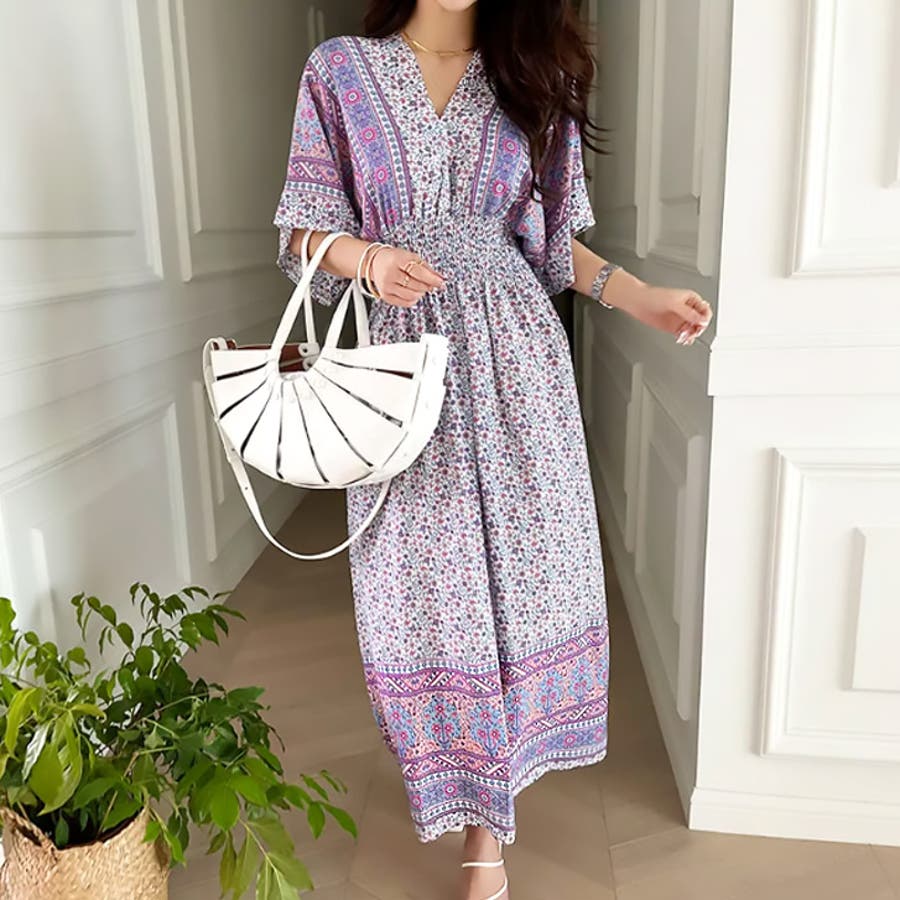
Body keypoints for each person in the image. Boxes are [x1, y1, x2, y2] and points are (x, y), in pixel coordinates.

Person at [273, 1, 712, 897]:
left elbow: (551, 247)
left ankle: (487, 836)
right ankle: (465, 790)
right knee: (428, 594)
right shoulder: (341, 71)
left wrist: (640, 297)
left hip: (517, 363)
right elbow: (300, 232)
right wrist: (367, 259)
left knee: (522, 586)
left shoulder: (530, 76)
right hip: (403, 371)